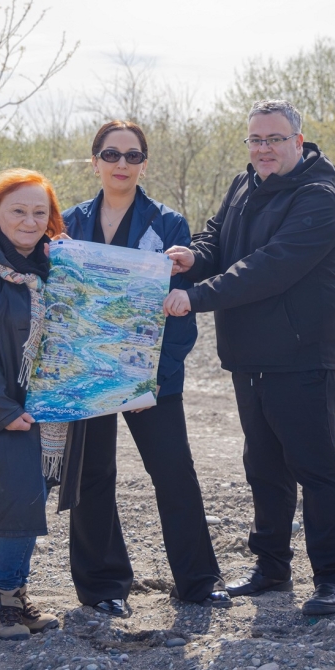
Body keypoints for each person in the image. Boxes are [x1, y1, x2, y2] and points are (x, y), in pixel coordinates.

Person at [164, 100, 335, 616]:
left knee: (315, 469)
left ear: (298, 141)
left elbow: (267, 268)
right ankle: (272, 569)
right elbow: (217, 239)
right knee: (263, 467)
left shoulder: (319, 199)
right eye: (255, 140)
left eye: (274, 139)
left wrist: (195, 296)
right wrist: (194, 257)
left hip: (303, 355)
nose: (263, 149)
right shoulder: (243, 184)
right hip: (248, 356)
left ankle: (332, 578)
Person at [62, 120, 228, 616]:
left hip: (150, 373)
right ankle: (102, 587)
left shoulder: (168, 223)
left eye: (132, 156)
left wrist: (154, 375)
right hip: (90, 370)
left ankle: (197, 582)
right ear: (94, 161)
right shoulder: (68, 223)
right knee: (93, 476)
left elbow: (179, 303)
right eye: (111, 155)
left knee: (174, 472)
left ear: (144, 165)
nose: (122, 164)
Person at [0, 169, 71, 640]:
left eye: (39, 212)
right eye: (18, 210)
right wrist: (2, 409)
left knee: (35, 496)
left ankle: (15, 595)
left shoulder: (54, 269)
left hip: (51, 406)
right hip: (1, 404)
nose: (29, 220)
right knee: (19, 499)